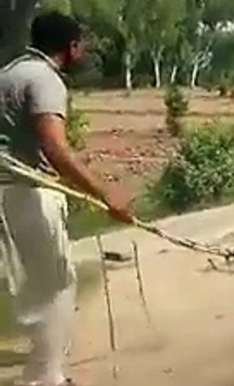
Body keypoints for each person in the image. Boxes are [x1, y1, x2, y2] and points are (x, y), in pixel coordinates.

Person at [0, 12, 133, 386]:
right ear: (70, 47)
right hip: (27, 194)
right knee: (54, 288)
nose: (84, 50)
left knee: (29, 286)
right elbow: (57, 149)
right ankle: (44, 379)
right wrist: (108, 195)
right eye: (82, 44)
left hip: (7, 192)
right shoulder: (45, 80)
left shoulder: (8, 73)